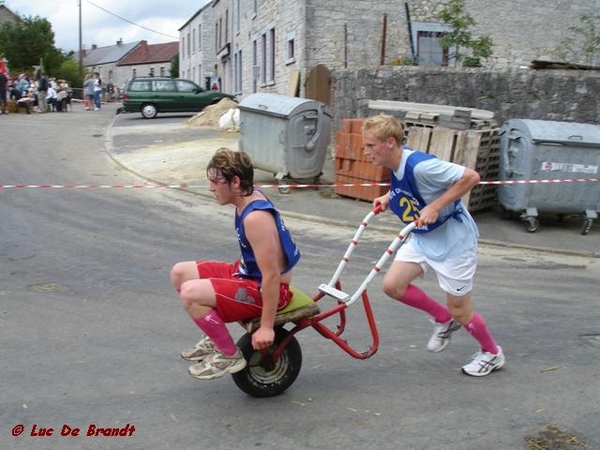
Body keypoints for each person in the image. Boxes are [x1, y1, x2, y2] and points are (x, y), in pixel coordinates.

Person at [361, 114, 505, 377]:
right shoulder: (396, 163)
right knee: (393, 286)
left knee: (460, 309)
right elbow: (411, 189)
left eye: (371, 145)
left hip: (453, 243)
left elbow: (471, 177)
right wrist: (388, 197)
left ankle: (492, 353)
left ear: (390, 142)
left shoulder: (422, 166)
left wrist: (435, 207)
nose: (366, 151)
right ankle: (443, 319)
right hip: (423, 236)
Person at [170, 148, 301, 380]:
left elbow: (271, 276)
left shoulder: (255, 218)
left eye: (216, 182)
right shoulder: (249, 195)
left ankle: (228, 354)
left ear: (236, 181)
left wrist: (267, 327)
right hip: (247, 273)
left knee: (190, 294)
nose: (211, 188)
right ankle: (215, 336)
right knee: (180, 273)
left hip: (268, 289)